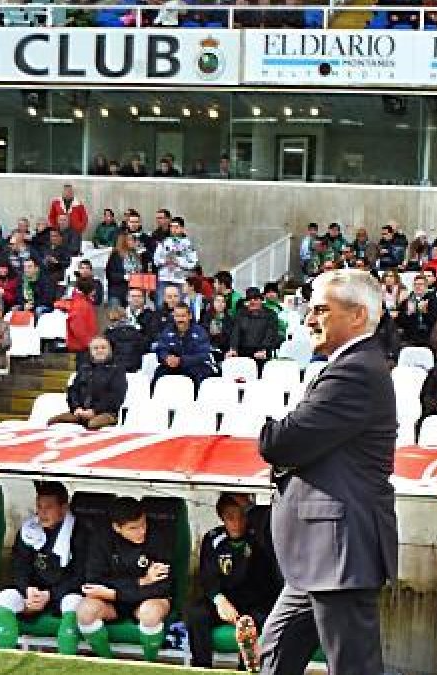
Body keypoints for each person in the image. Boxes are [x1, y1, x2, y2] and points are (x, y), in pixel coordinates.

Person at [257, 269, 398, 674]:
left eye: (321, 309)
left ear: (356, 316)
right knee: (276, 652)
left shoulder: (355, 371)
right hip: (322, 553)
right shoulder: (353, 367)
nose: (308, 319)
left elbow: (281, 443)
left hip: (340, 549)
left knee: (352, 666)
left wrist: (273, 436)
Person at [185, 494, 281, 669]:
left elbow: (267, 580)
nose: (237, 523)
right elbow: (207, 576)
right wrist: (219, 600)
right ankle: (201, 666)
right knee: (196, 613)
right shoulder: (212, 538)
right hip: (224, 600)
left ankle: (246, 666)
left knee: (255, 621)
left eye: (242, 516)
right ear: (222, 517)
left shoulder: (259, 539)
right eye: (230, 517)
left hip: (253, 602)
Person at [0, 481, 86, 654]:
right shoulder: (28, 530)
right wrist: (28, 589)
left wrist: (50, 595)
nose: (42, 513)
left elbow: (81, 576)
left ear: (64, 508)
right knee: (4, 598)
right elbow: (19, 565)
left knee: (73, 603)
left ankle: (66, 660)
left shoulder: (80, 533)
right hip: (33, 594)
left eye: (48, 507)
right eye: (39, 506)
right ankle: (4, 657)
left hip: (63, 595)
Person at [77, 497, 173, 662]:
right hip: (114, 604)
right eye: (133, 528)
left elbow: (162, 587)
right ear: (117, 528)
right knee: (85, 611)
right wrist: (141, 581)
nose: (141, 531)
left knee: (150, 613)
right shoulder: (101, 538)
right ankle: (107, 663)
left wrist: (114, 593)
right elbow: (93, 582)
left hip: (146, 599)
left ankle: (149, 665)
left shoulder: (158, 536)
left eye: (143, 524)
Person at [48, 337, 127, 429]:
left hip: (106, 413)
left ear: (110, 350)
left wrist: (94, 411)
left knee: (92, 424)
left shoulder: (117, 370)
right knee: (53, 422)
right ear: (91, 351)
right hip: (81, 412)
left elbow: (115, 397)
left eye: (103, 347)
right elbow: (73, 391)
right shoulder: (84, 368)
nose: (99, 350)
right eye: (96, 348)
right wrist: (76, 408)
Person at [154, 303, 216, 385]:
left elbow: (203, 355)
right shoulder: (167, 331)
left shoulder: (200, 332)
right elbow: (161, 349)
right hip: (172, 366)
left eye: (183, 316)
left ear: (189, 316)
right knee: (159, 374)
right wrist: (167, 358)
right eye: (177, 316)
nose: (180, 319)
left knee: (199, 375)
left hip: (194, 366)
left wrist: (181, 360)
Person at [227, 287, 283, 368]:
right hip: (243, 351)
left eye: (255, 299)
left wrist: (264, 349)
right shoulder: (241, 313)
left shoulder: (271, 314)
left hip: (262, 351)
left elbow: (271, 333)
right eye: (249, 300)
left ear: (261, 300)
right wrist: (233, 348)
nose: (252, 302)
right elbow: (235, 331)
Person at [152, 217, 198, 308]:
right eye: (172, 227)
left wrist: (179, 262)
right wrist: (165, 261)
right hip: (164, 278)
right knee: (160, 304)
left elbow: (193, 262)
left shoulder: (188, 244)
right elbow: (156, 259)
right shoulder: (164, 242)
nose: (173, 229)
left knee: (180, 305)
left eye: (176, 227)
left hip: (180, 279)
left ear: (182, 228)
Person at [397, 274, 437, 347]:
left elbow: (435, 321)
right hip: (410, 337)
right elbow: (400, 322)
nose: (417, 286)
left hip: (428, 335)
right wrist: (408, 313)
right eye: (415, 284)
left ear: (426, 286)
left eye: (420, 284)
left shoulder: (433, 300)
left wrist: (425, 312)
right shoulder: (407, 301)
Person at [103, 307, 147, 373]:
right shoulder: (137, 332)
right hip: (134, 367)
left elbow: (107, 354)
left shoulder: (110, 334)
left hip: (116, 369)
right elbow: (143, 348)